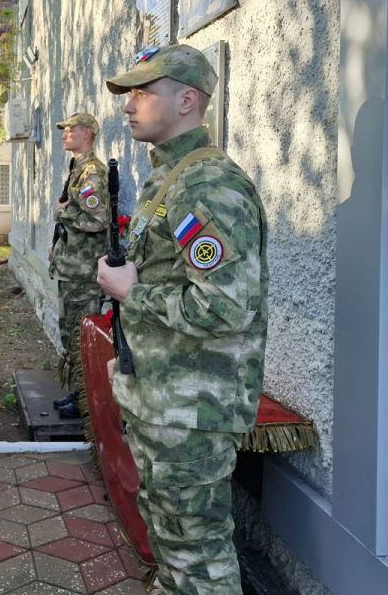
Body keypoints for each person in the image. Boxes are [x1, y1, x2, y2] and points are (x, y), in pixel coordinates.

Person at [96, 44, 269, 594]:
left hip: (192, 412)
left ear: (188, 100)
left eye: (143, 93)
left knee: (197, 555)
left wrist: (131, 292)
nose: (129, 106)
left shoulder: (207, 185)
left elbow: (225, 306)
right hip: (164, 400)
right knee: (172, 543)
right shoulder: (172, 178)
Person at [48, 112, 108, 419]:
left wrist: (61, 213)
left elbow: (98, 220)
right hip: (71, 268)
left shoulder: (92, 173)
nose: (64, 134)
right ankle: (78, 394)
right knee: (70, 334)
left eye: (70, 130)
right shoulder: (78, 168)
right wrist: (58, 247)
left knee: (82, 336)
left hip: (83, 273)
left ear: (87, 134)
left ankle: (86, 401)